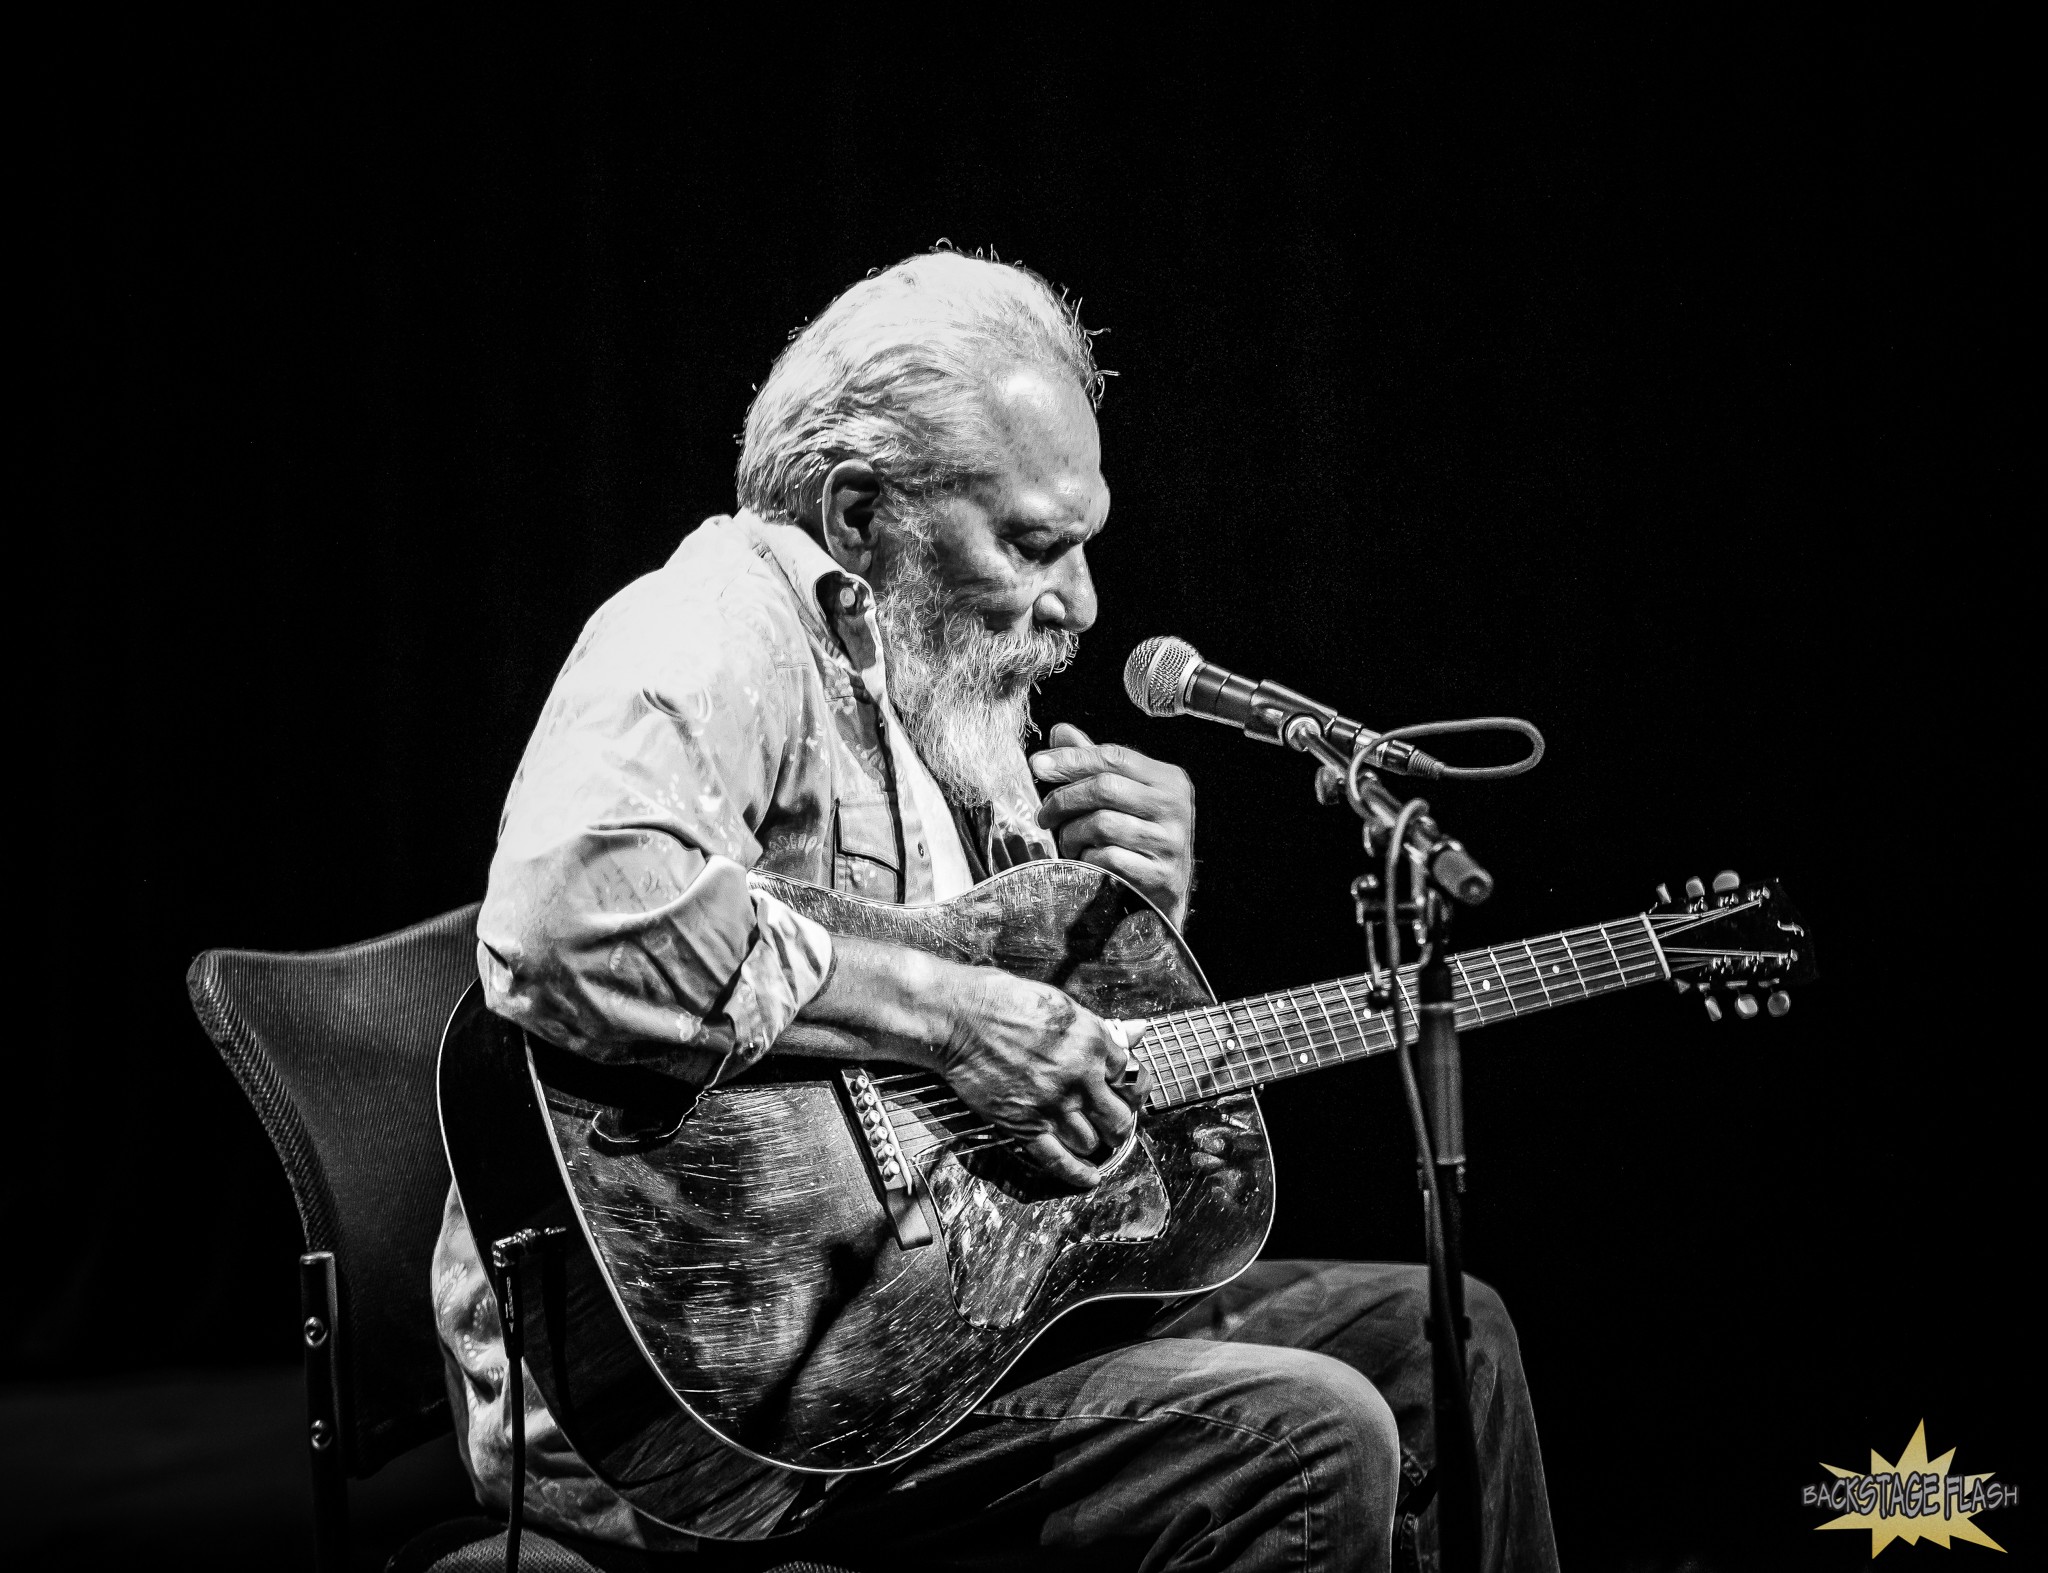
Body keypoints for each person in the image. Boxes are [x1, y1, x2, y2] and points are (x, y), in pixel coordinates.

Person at [432, 249, 1559, 1572]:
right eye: (1032, 544)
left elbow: (992, 1085)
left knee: (1453, 1338)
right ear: (858, 513)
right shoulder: (711, 627)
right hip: (716, 1417)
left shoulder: (937, 697)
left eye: (1085, 542)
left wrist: (1133, 926)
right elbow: (568, 906)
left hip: (926, 1342)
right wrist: (955, 1017)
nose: (1079, 603)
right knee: (1312, 1437)